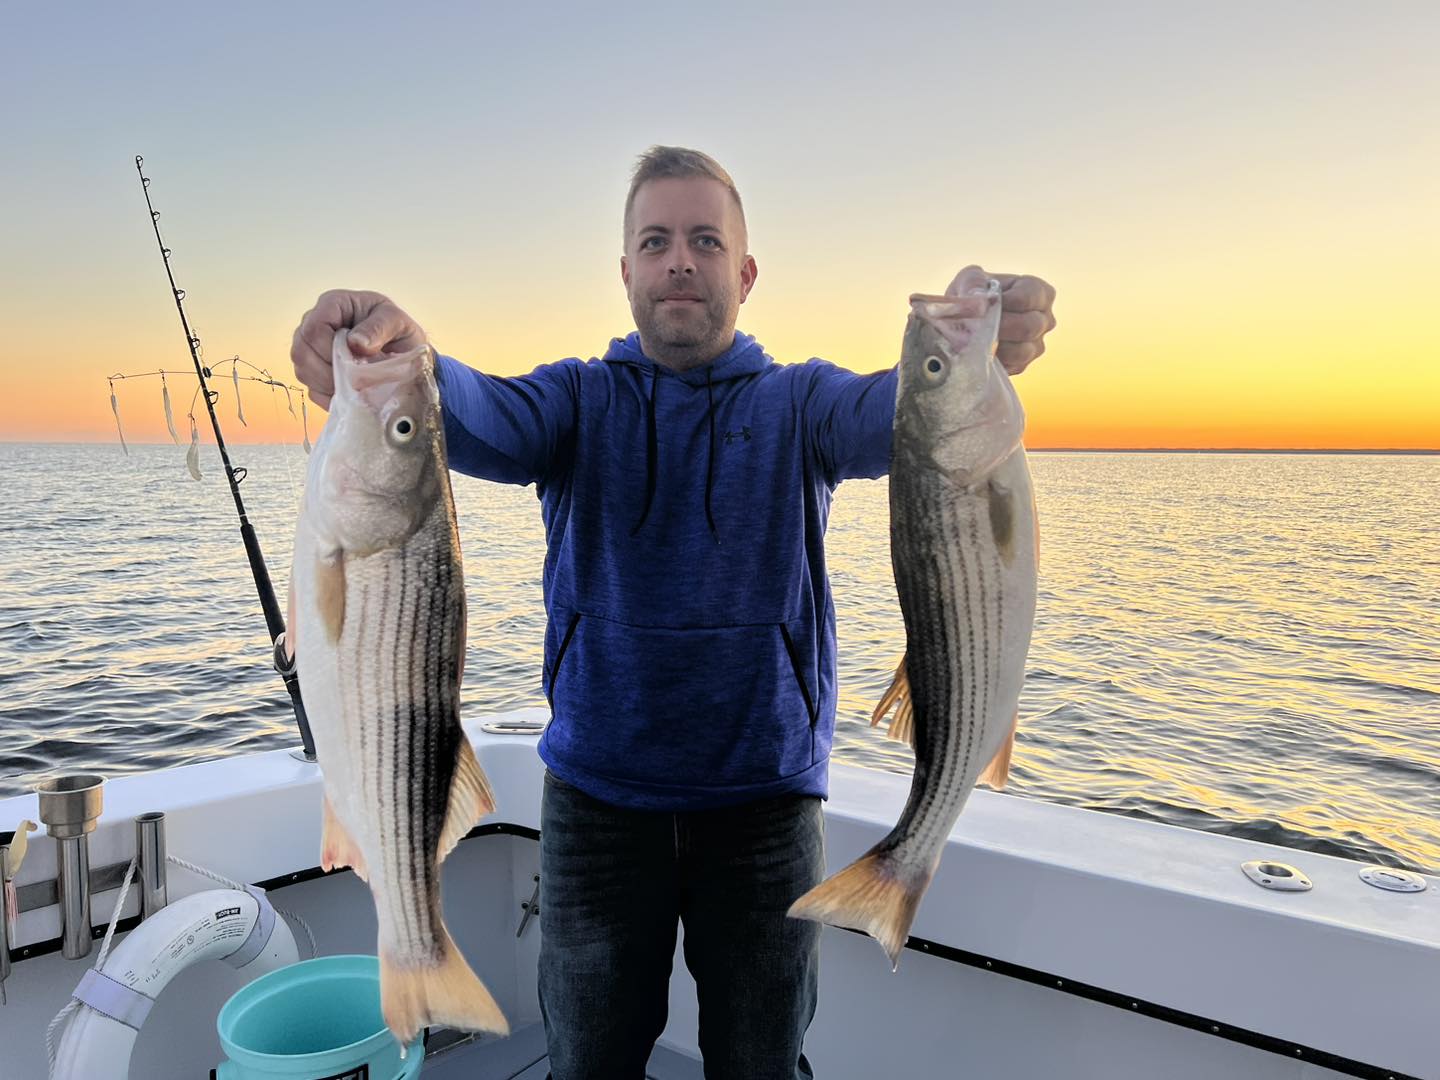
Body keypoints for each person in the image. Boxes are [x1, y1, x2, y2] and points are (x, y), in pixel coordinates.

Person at [290, 146, 1057, 1080]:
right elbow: (477, 415)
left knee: (760, 1062)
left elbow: (898, 412)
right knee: (587, 1062)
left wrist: (979, 345)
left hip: (765, 806)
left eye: (704, 240)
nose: (679, 261)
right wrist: (404, 360)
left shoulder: (799, 402)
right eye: (655, 242)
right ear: (625, 273)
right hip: (599, 803)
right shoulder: (575, 400)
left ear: (744, 273)